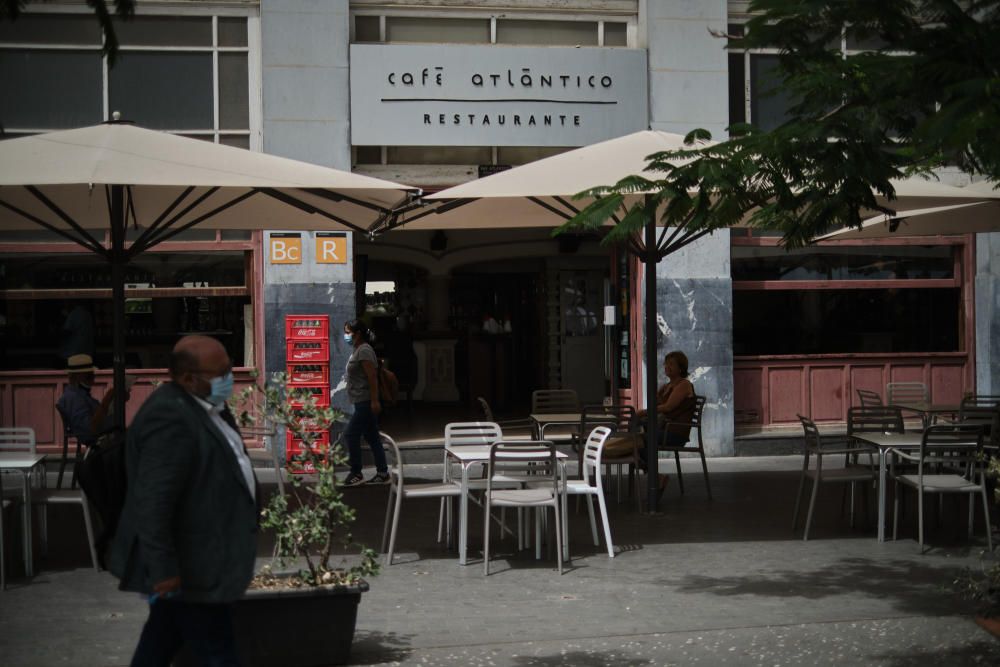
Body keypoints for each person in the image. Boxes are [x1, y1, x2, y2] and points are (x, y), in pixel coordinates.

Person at [110, 335, 258, 666]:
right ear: (188, 378)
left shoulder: (206, 406)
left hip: (203, 560)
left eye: (229, 368)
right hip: (191, 566)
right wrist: (163, 569)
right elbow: (153, 501)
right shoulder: (169, 418)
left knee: (161, 640)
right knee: (217, 652)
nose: (228, 378)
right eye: (220, 373)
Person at [636, 350, 697, 497]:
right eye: (666, 364)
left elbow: (668, 407)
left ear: (680, 368)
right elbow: (656, 404)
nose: (666, 367)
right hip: (664, 429)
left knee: (641, 440)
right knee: (636, 439)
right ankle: (656, 477)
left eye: (671, 364)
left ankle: (656, 477)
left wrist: (643, 412)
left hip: (675, 433)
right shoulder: (667, 386)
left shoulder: (684, 385)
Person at [341, 319, 390, 487]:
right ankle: (382, 472)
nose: (346, 335)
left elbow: (372, 377)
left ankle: (356, 472)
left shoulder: (364, 351)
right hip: (361, 400)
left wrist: (375, 401)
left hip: (365, 401)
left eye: (348, 332)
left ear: (358, 333)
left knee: (351, 434)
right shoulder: (358, 350)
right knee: (372, 436)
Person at [56, 353, 101, 447]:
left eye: (91, 373)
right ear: (76, 376)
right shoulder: (73, 397)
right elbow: (88, 429)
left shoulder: (80, 395)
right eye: (88, 374)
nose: (92, 376)